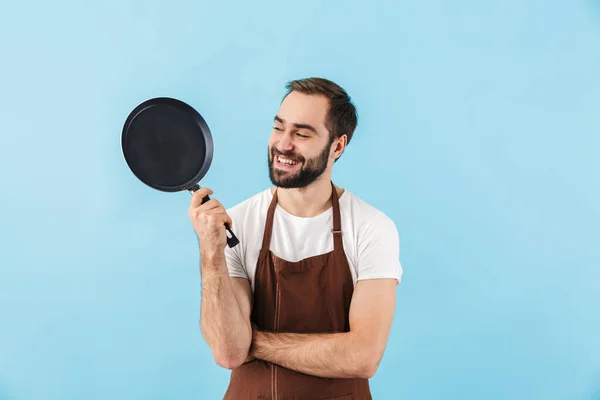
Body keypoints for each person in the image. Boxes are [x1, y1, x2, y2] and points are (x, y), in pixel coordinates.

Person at [188, 77, 402, 399]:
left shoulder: (372, 227)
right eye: (278, 128)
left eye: (301, 134)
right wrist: (211, 251)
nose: (283, 144)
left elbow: (363, 356)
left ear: (338, 146)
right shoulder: (238, 224)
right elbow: (229, 352)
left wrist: (254, 342)